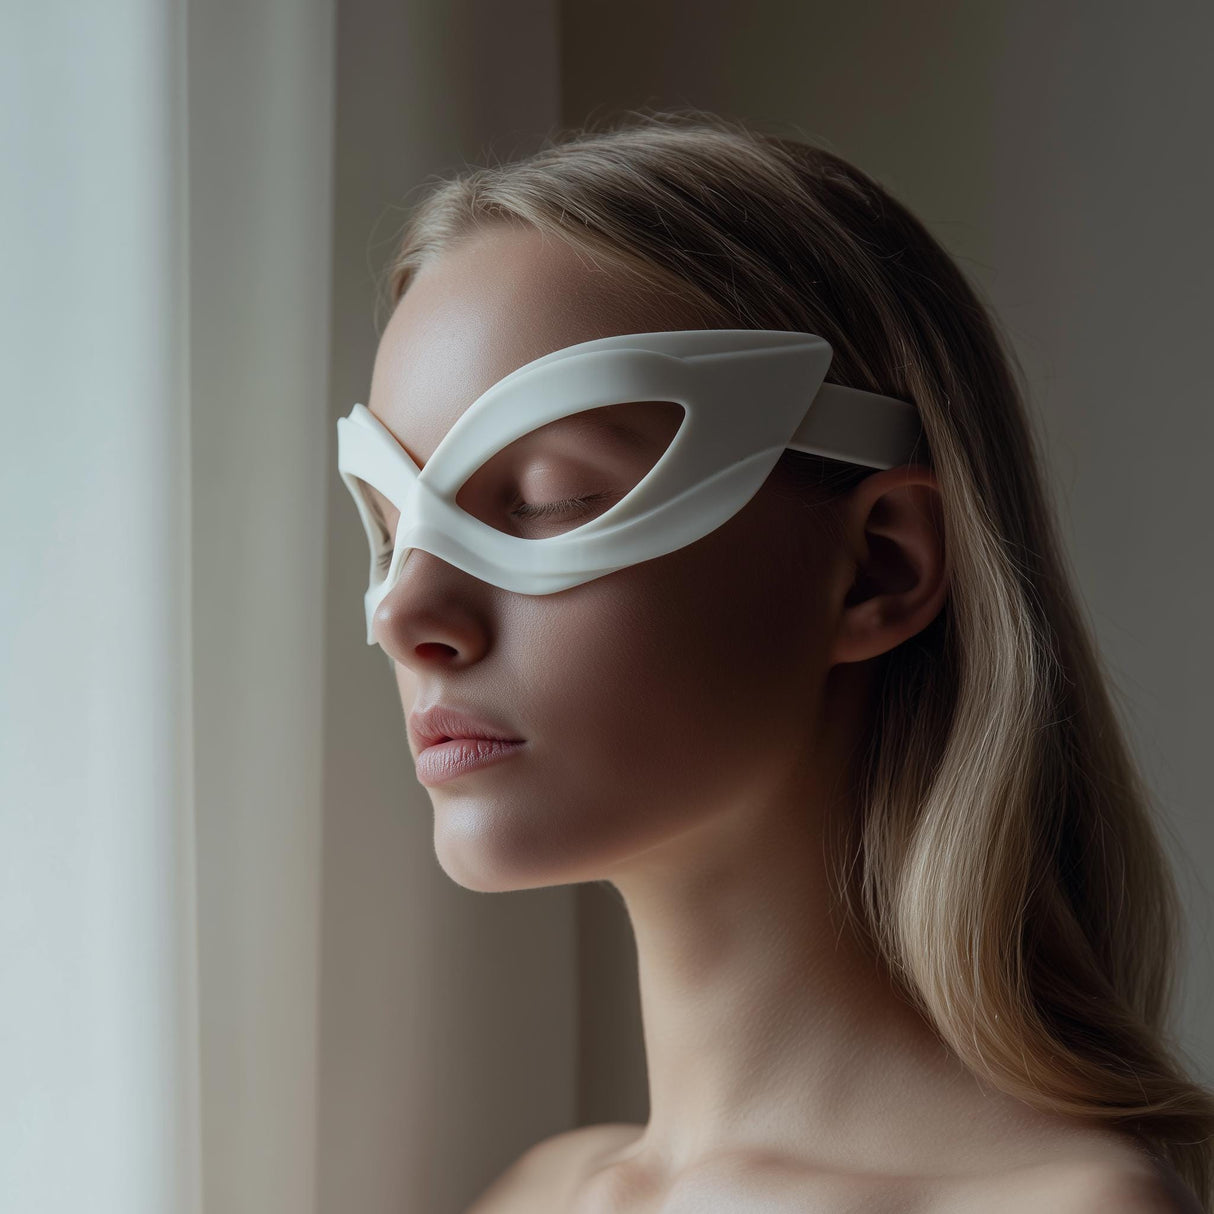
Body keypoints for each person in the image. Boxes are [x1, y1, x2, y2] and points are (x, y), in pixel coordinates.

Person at [342, 109, 1213, 1212]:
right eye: (387, 523)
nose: (406, 611)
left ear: (878, 569)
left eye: (549, 500)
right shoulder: (535, 1192)